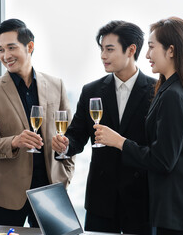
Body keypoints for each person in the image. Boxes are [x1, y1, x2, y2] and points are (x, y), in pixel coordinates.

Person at [94, 17, 183, 235]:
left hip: (176, 212)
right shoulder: (175, 89)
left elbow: (163, 160)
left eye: (151, 47)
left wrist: (119, 142)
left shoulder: (173, 96)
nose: (146, 54)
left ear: (171, 51)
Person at [52, 20, 156, 234]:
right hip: (101, 199)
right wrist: (64, 145)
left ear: (131, 50)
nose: (103, 56)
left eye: (109, 49)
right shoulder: (91, 90)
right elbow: (77, 135)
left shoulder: (156, 91)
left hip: (141, 199)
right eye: (101, 49)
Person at [0, 18, 74, 227]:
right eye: (1, 50)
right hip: (6, 197)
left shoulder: (57, 85)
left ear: (30, 46)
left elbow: (71, 135)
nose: (5, 56)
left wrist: (65, 172)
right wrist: (14, 142)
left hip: (51, 192)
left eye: (11, 47)